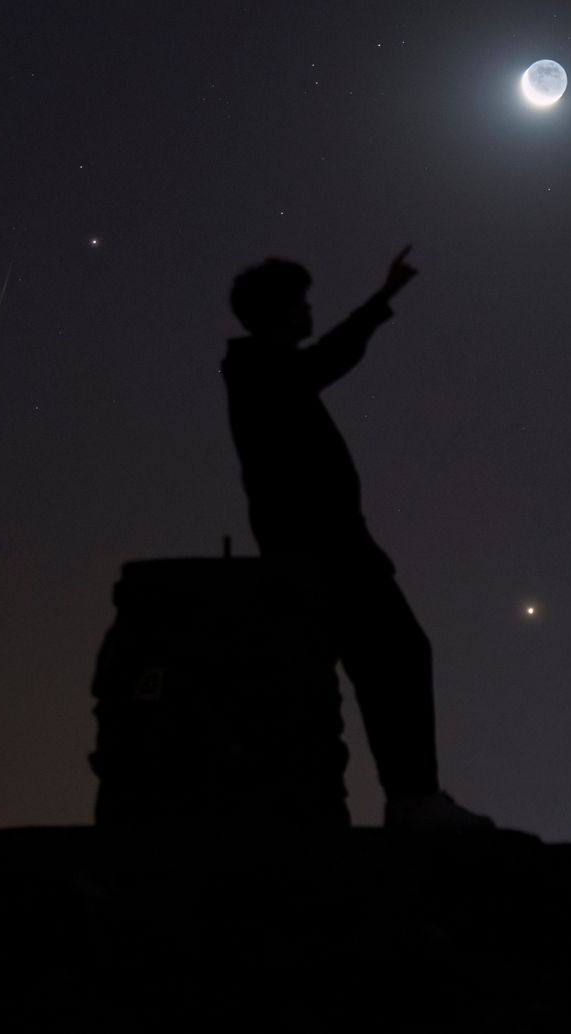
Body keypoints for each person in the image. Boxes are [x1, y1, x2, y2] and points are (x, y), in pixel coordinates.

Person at [223, 245, 492, 832]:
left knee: (380, 662)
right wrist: (382, 299)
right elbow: (327, 359)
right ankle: (413, 800)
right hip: (325, 550)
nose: (308, 311)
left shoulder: (264, 372)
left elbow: (321, 361)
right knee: (395, 655)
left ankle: (408, 797)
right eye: (301, 301)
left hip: (327, 547)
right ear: (279, 311)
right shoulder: (258, 370)